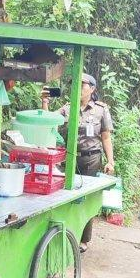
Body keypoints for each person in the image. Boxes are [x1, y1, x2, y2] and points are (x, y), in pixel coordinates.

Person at [42, 73, 115, 252]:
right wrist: (44, 103)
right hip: (70, 157)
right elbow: (47, 121)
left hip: (91, 159)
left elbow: (106, 137)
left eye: (82, 85)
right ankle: (68, 234)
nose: (79, 88)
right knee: (67, 196)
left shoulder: (100, 110)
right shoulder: (68, 108)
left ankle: (84, 239)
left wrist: (110, 161)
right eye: (76, 84)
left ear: (92, 89)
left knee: (86, 198)